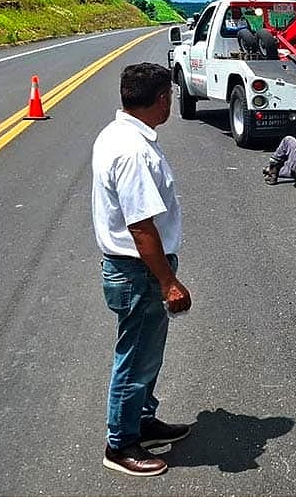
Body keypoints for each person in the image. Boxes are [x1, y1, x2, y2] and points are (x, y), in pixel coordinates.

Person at [92, 62, 193, 476]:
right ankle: (121, 444)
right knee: (135, 357)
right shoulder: (132, 150)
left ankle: (142, 420)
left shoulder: (119, 133)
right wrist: (168, 281)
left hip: (138, 269)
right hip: (139, 271)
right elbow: (140, 226)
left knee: (147, 355)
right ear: (162, 99)